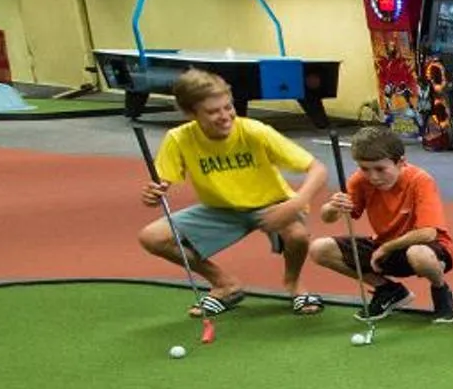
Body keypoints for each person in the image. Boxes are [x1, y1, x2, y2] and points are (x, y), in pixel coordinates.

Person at [137, 67, 327, 317]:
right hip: (220, 209)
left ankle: (293, 284)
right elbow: (160, 185)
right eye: (213, 111)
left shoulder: (254, 131)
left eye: (228, 107)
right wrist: (153, 194)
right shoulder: (178, 139)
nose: (225, 116)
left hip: (271, 204)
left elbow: (317, 168)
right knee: (151, 237)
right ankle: (225, 284)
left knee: (298, 235)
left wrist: (297, 202)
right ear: (191, 113)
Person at [313, 125, 453, 323]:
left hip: (427, 248)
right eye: (365, 169)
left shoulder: (420, 180)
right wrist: (332, 206)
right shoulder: (360, 181)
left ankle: (441, 290)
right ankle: (388, 291)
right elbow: (328, 218)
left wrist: (386, 248)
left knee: (418, 254)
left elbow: (428, 233)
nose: (373, 177)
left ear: (401, 163)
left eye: (381, 169)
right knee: (319, 249)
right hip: (384, 247)